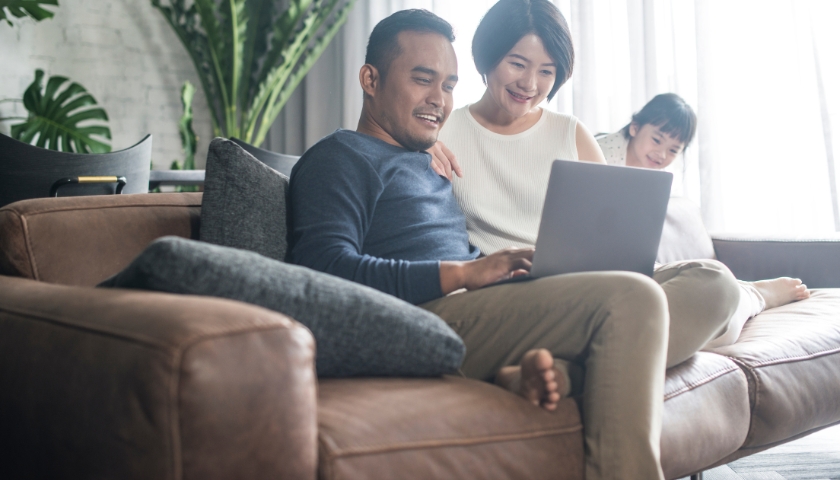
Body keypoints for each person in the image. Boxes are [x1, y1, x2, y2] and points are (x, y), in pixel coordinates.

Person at [288, 9, 675, 480]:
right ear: (370, 79)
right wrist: (464, 272)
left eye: (449, 86)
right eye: (422, 80)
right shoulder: (338, 157)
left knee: (678, 282)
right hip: (428, 317)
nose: (439, 100)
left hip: (484, 302)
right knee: (632, 299)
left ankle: (548, 372)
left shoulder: (424, 155)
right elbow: (319, 273)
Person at [431, 0, 744, 371]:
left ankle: (569, 374)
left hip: (593, 286)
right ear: (487, 56)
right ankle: (585, 368)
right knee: (648, 308)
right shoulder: (441, 133)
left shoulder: (570, 132)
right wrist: (424, 144)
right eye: (517, 63)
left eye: (547, 71)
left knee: (715, 283)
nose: (530, 84)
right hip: (515, 299)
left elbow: (618, 240)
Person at [596, 93, 810, 347]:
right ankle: (752, 294)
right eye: (656, 139)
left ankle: (751, 293)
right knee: (715, 327)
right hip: (605, 270)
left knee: (718, 319)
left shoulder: (649, 183)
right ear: (634, 127)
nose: (662, 154)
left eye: (674, 150)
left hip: (631, 271)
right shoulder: (596, 154)